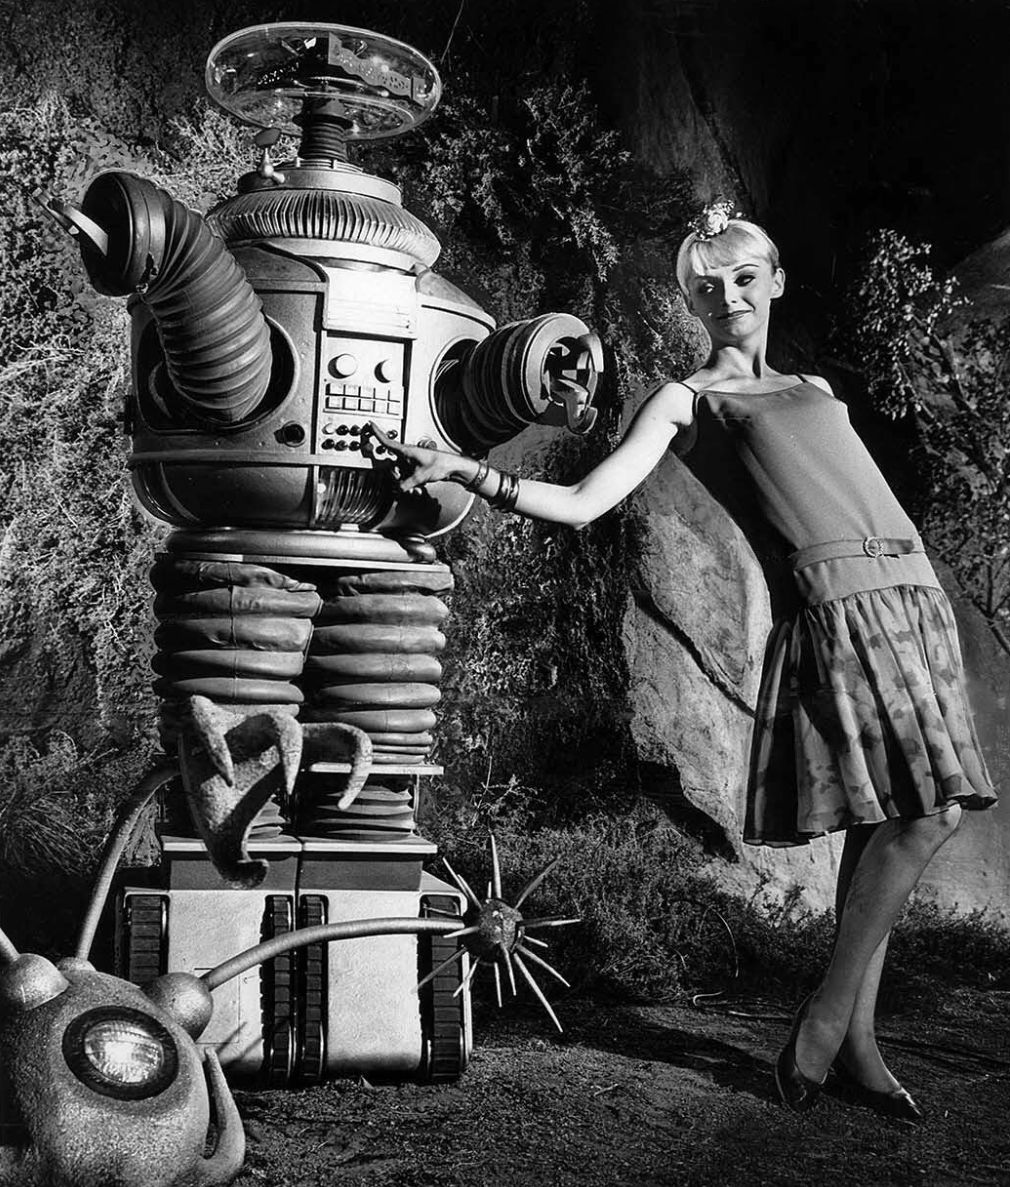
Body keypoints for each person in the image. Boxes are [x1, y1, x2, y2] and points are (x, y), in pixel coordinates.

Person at [366, 201, 997, 1118]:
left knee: (886, 826)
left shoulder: (817, 389)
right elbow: (584, 500)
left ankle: (858, 1041)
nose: (728, 295)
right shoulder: (687, 400)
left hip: (914, 600)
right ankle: (824, 1022)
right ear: (693, 303)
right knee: (930, 815)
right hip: (837, 612)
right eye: (708, 286)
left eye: (744, 277)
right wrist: (473, 473)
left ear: (775, 280)